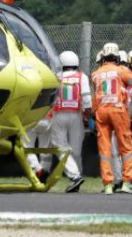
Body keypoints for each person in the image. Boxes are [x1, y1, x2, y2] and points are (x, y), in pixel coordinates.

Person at [91, 43, 132, 194]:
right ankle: (127, 182)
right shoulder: (121, 71)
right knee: (126, 147)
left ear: (103, 57)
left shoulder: (95, 74)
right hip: (118, 110)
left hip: (101, 112)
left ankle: (108, 184)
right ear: (117, 57)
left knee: (105, 149)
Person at [51, 51, 92, 193]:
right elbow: (86, 99)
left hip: (58, 114)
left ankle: (75, 176)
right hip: (76, 115)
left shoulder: (56, 76)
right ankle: (78, 175)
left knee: (60, 146)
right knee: (76, 148)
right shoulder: (82, 77)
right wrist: (88, 116)